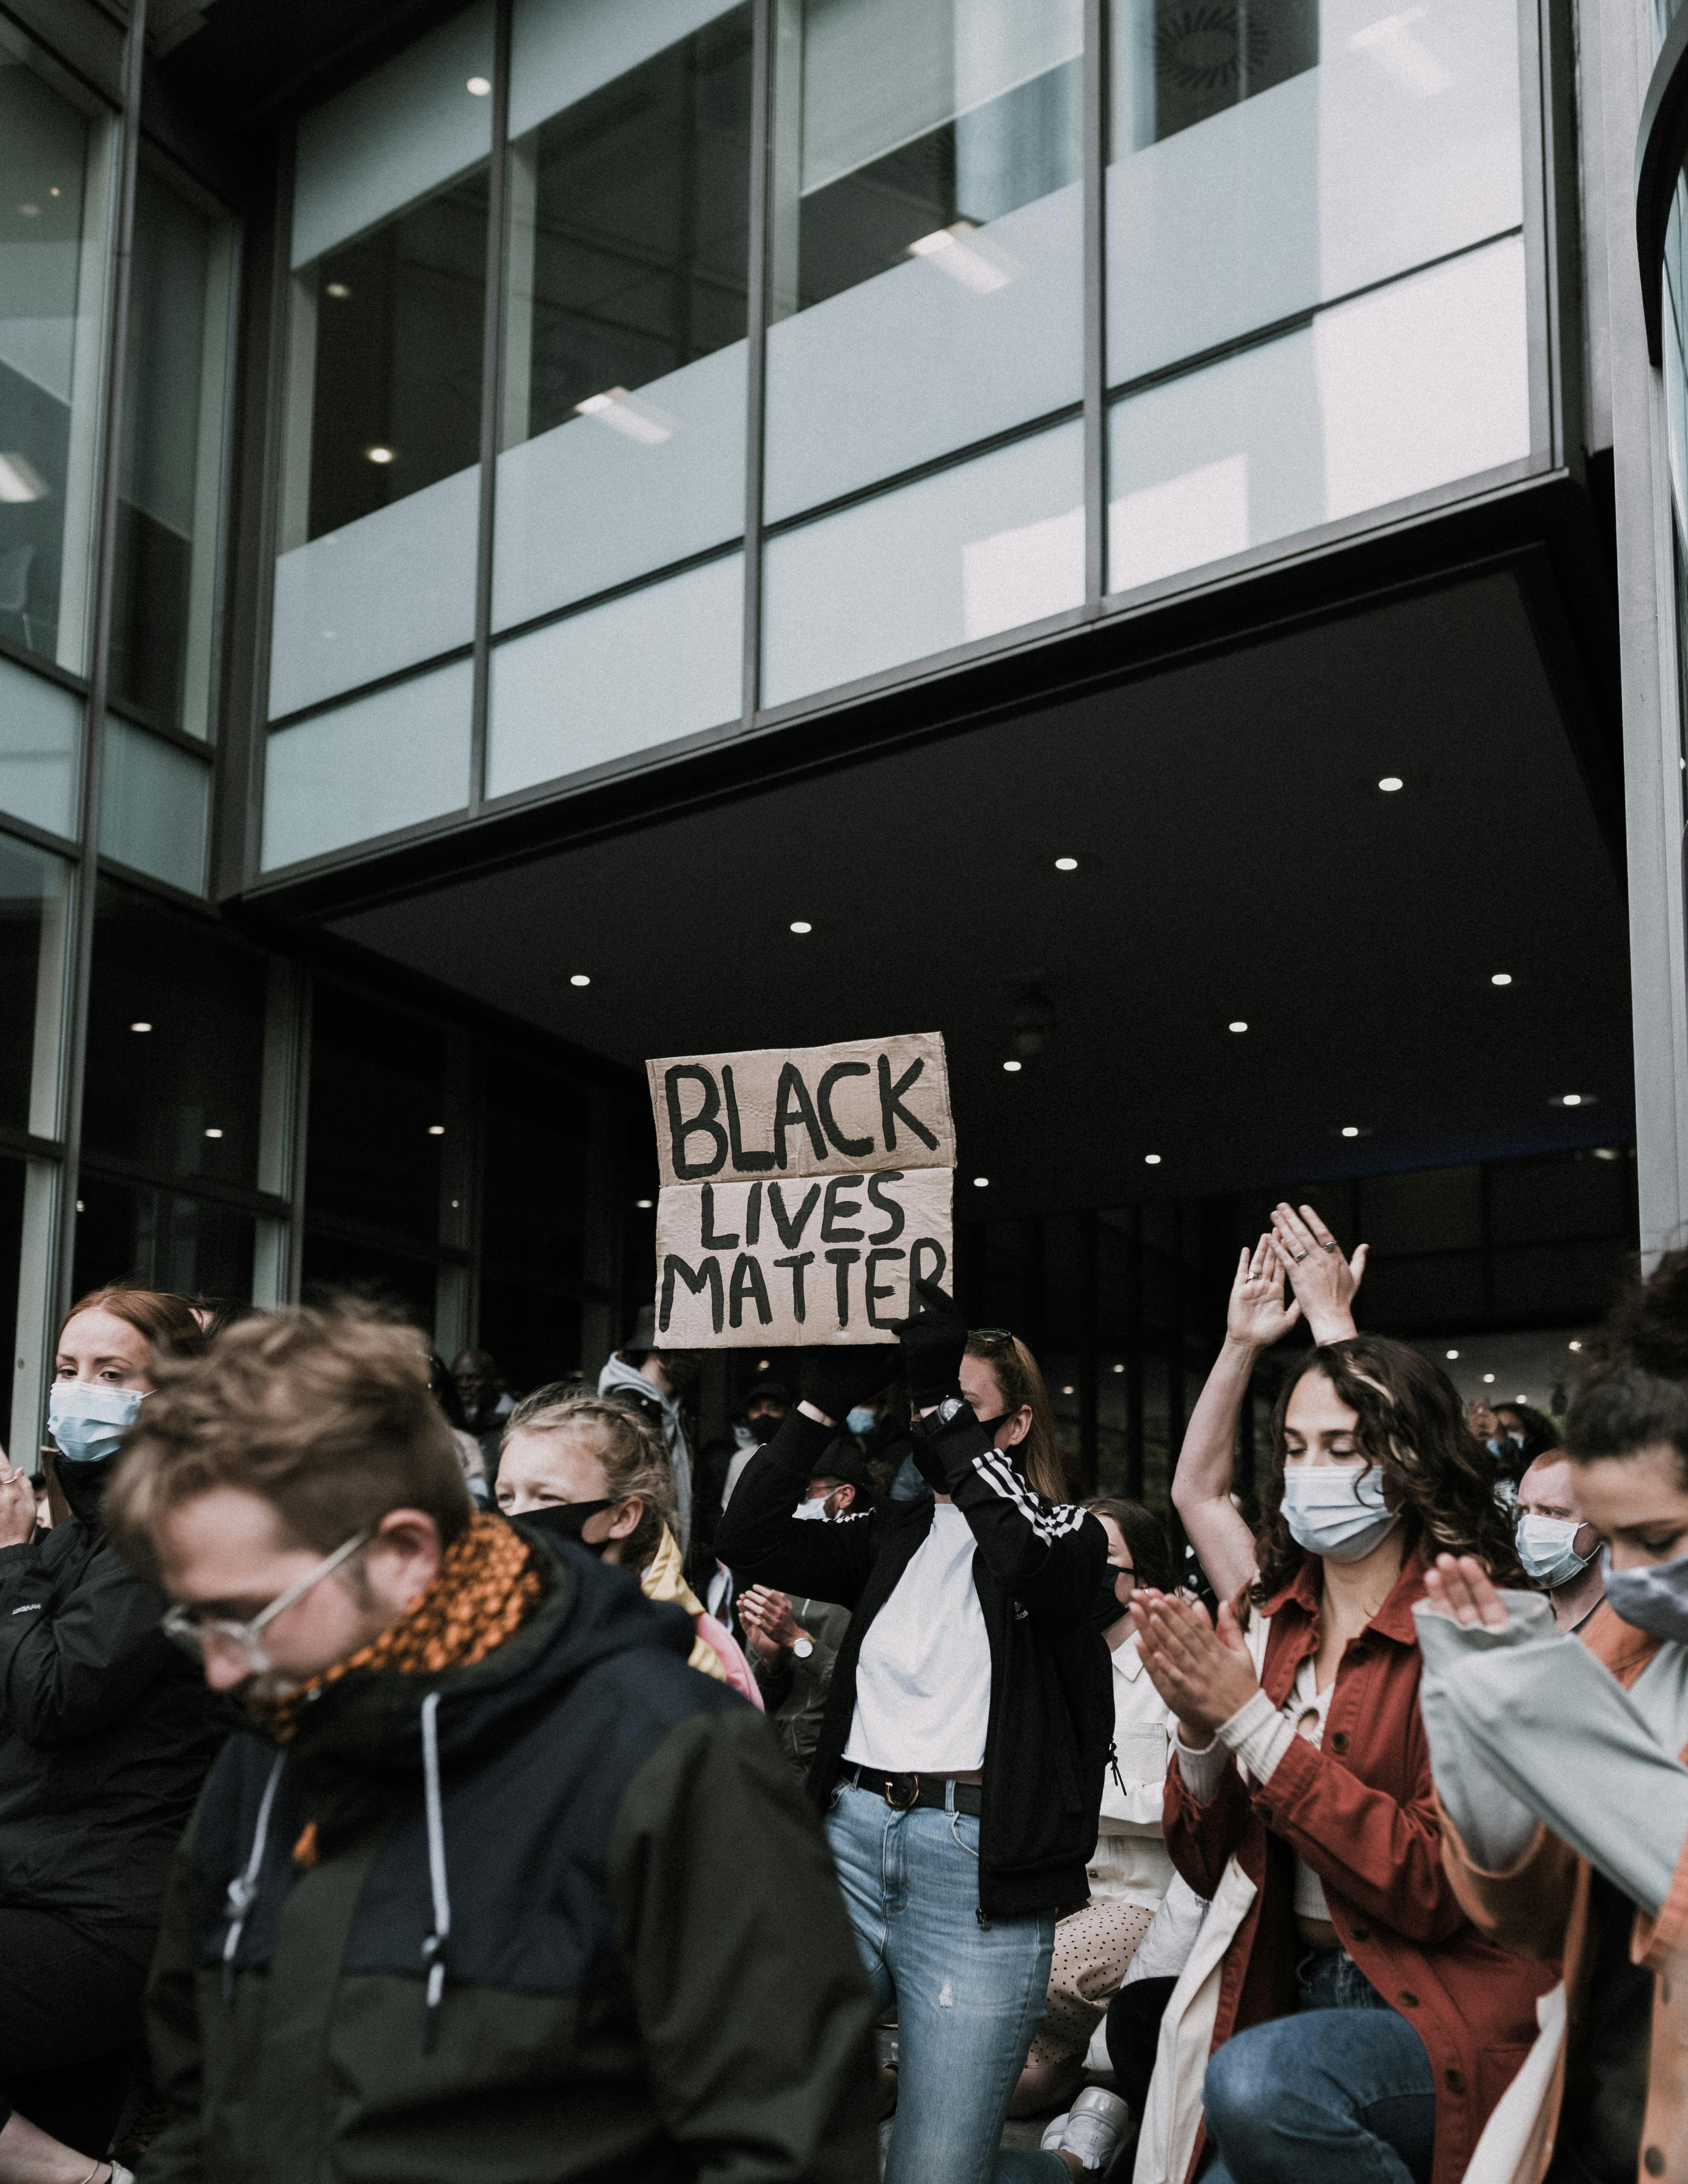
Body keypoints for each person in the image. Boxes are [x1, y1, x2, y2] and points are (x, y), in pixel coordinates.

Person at [106, 1304, 878, 2184]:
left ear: (400, 1552)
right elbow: (203, 2104)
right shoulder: (271, 1741)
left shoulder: (671, 1755)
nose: (217, 1667)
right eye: (193, 1618)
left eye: (248, 1613)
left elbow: (789, 2144)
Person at [1137, 1218, 1552, 2184]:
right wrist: (1201, 1730)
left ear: (1400, 1461)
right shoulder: (1272, 1618)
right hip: (1288, 1982)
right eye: (1291, 1447)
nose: (1310, 1472)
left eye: (1339, 1446)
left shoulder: (1476, 1620)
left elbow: (1426, 1882)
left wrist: (1246, 1719)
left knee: (1251, 2083)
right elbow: (1207, 1863)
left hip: (1436, 1999)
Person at [717, 1286, 1116, 2184]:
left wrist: (936, 1406)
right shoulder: (889, 1533)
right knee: (762, 2100)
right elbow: (747, 1535)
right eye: (922, 1403)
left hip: (972, 1873)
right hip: (848, 1842)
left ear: (1009, 1428)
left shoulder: (1069, 1534)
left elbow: (1028, 1557)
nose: (932, 1426)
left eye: (959, 1407)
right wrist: (820, 1403)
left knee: (936, 2167)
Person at [1414, 1247, 1688, 2184]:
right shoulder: (1628, 1654)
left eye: (1659, 1539)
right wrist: (1477, 1757)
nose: (1632, 1575)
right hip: (1598, 2117)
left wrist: (1561, 1744)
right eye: (1612, 1542)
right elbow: (1538, 1922)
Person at [0, 1286, 224, 2182]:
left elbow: (56, 1694)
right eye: (64, 1369)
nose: (76, 1389)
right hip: (48, 1875)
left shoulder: (168, 1524)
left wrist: (8, 1558)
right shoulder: (90, 1524)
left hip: (102, 1910)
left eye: (109, 1372)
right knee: (71, 2115)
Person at [1012, 1498, 1177, 2121]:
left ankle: (1112, 2103)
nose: (1084, 1573)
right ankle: (1100, 2088)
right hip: (1066, 1895)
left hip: (1144, 1899)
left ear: (1144, 1578)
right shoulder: (1058, 1664)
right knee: (1015, 2089)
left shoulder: (1172, 1668)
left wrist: (1080, 1801)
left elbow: (1188, 1806)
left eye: (1103, 1559)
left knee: (1036, 1972)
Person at [495, 1386, 762, 1706]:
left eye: (548, 1497)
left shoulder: (684, 1657)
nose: (517, 1516)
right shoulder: (482, 1625)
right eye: (505, 1498)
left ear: (622, 1517)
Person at [737, 1444, 872, 1776]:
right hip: (778, 1769)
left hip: (842, 1776)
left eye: (806, 1492)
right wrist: (771, 1663)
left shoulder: (872, 1578)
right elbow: (755, 1704)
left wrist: (797, 1640)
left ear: (844, 1496)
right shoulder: (778, 1575)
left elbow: (866, 1690)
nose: (797, 1504)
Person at [597, 1307, 697, 1553]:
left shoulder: (674, 1410)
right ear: (664, 1355)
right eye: (691, 1352)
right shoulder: (624, 1411)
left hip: (672, 1555)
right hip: (643, 1557)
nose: (698, 1359)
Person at [1513, 1443, 1604, 1630]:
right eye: (1524, 1511)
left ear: (1605, 1525)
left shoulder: (1631, 1627)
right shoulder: (1520, 1624)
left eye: (1551, 1512)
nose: (1530, 1527)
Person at [720, 1377, 792, 1509]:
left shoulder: (799, 1457)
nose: (764, 1415)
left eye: (774, 1409)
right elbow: (729, 1508)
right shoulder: (739, 1459)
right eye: (757, 1409)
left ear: (787, 1413)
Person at [427, 1351, 489, 1505]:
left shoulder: (463, 1443)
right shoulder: (374, 1440)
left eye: (425, 1387)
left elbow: (479, 1500)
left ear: (437, 1394)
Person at [450, 1346, 510, 1478]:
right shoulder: (449, 1424)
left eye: (473, 1378)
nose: (464, 1385)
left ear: (493, 1381)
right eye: (458, 1380)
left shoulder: (515, 1423)